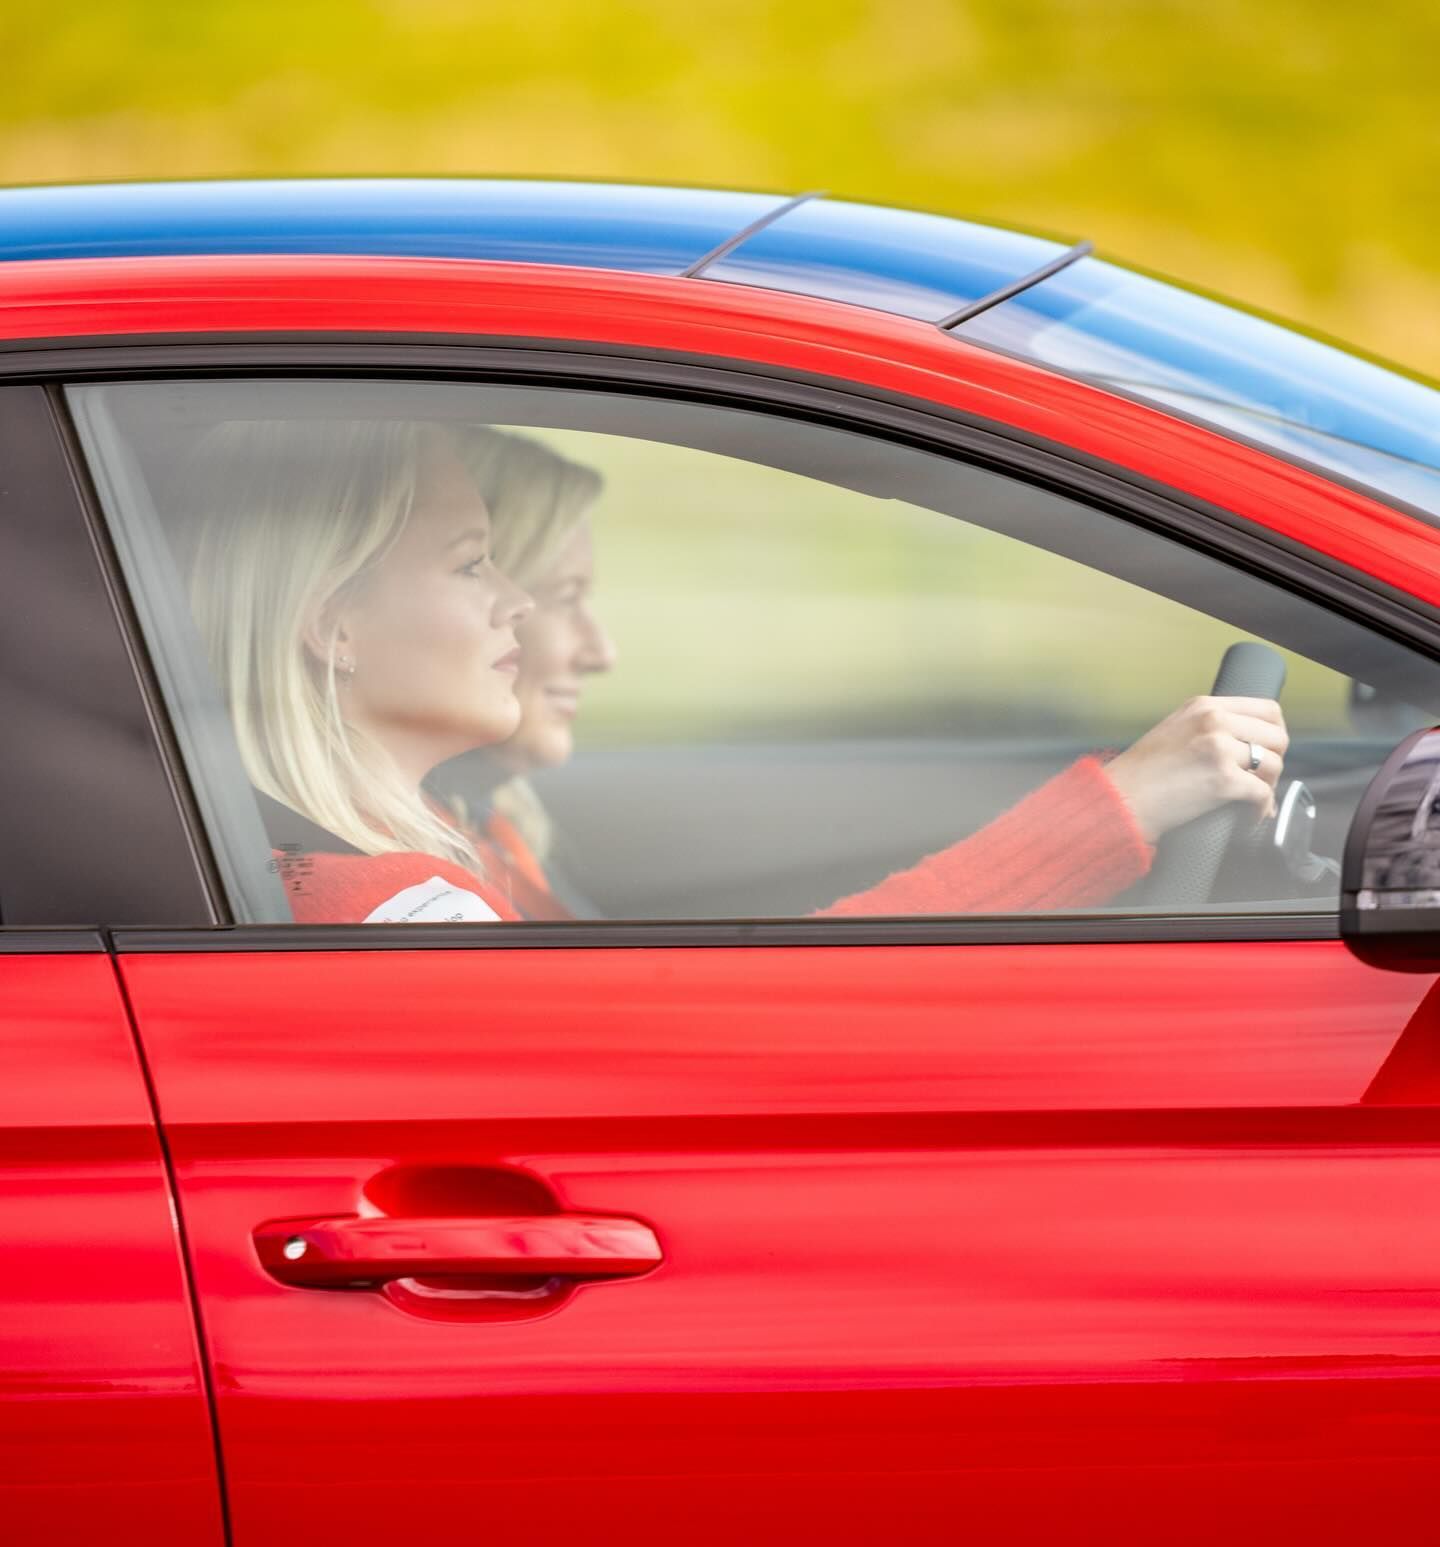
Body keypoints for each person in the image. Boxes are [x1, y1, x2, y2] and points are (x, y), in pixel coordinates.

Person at [452, 430, 1290, 919]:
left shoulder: (486, 831)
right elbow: (749, 1022)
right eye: (564, 597)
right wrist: (1117, 810)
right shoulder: (416, 895)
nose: (601, 651)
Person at [181, 417, 536, 924]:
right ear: (333, 627)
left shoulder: (295, 863)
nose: (520, 602)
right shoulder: (409, 909)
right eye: (469, 565)